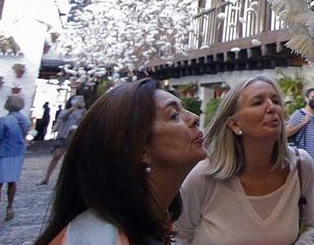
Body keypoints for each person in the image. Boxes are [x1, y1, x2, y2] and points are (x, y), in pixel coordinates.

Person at [35, 78, 206, 245]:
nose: (194, 117)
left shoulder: (158, 222)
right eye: (174, 115)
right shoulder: (92, 238)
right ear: (139, 149)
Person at [176, 77, 314, 245]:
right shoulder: (204, 176)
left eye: (275, 100)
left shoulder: (301, 165)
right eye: (257, 102)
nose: (272, 107)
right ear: (234, 124)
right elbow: (179, 238)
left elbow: (312, 227)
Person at [0, 94, 30, 229]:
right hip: (18, 153)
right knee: (12, 181)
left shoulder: (4, 120)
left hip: (3, 153)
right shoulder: (24, 120)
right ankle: (9, 208)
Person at [40, 99, 86, 185]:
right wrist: (73, 108)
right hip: (63, 137)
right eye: (81, 102)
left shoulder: (82, 112)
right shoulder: (66, 111)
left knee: (74, 159)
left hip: (74, 137)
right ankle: (47, 177)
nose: (83, 103)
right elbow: (63, 117)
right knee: (56, 157)